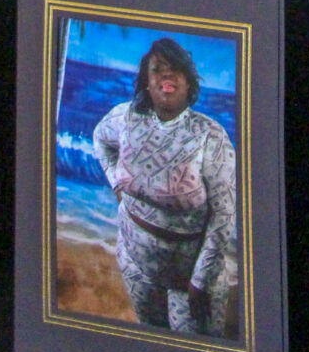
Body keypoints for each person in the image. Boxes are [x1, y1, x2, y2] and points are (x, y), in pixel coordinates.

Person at [92, 37, 236, 335]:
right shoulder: (125, 117)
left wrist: (200, 281)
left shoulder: (211, 136)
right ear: (146, 82)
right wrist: (116, 184)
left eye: (176, 69)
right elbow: (100, 140)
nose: (167, 75)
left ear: (189, 83)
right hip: (135, 266)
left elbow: (223, 216)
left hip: (190, 280)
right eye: (158, 69)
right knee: (154, 341)